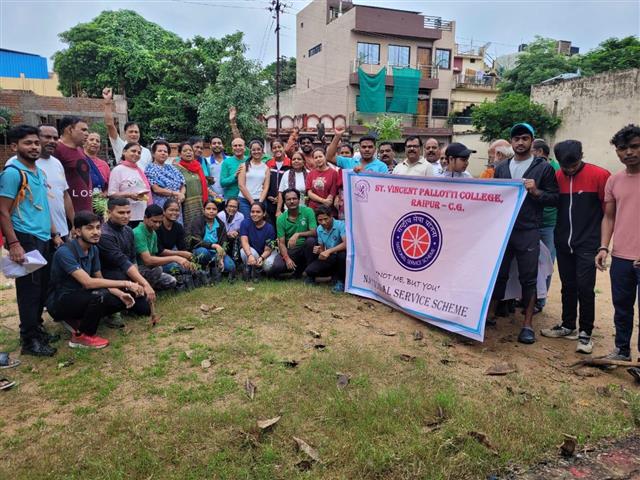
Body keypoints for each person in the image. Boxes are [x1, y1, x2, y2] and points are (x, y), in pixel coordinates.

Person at [488, 123, 559, 344]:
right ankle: (490, 314)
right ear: (511, 142)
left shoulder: (543, 168)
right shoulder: (501, 167)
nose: (520, 142)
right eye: (516, 139)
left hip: (528, 230)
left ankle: (527, 324)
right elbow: (493, 196)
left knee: (529, 278)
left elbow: (555, 198)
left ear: (532, 141)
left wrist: (536, 191)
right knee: (498, 273)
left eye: (525, 138)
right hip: (504, 230)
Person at [539, 140, 610, 354]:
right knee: (567, 285)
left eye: (573, 165)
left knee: (585, 288)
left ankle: (585, 333)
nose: (569, 170)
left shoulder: (600, 175)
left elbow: (609, 213)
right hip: (563, 241)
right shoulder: (557, 177)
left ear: (582, 156)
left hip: (588, 243)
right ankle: (568, 325)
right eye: (564, 166)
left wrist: (603, 245)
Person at [0, 125, 63, 356]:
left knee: (42, 287)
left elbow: (45, 207)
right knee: (29, 291)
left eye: (36, 143)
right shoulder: (12, 173)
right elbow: (3, 211)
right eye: (28, 143)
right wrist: (14, 244)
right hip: (25, 238)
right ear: (15, 146)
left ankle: (37, 329)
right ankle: (29, 341)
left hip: (43, 237)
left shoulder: (38, 172)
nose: (34, 147)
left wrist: (55, 234)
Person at [47, 211, 145, 349]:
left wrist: (121, 293)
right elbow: (88, 283)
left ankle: (79, 319)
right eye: (89, 228)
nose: (96, 232)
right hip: (61, 301)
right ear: (77, 231)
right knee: (99, 295)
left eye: (98, 227)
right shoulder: (65, 252)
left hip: (81, 296)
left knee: (123, 298)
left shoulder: (93, 249)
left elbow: (99, 279)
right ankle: (81, 337)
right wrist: (127, 283)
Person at [595, 124, 640, 362]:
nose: (629, 153)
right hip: (621, 257)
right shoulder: (614, 181)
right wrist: (604, 247)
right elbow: (609, 217)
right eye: (623, 148)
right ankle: (622, 351)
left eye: (634, 146)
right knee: (622, 307)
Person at [7, 125, 75, 240]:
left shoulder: (57, 163)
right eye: (47, 137)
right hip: (30, 233)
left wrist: (74, 223)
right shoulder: (15, 165)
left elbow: (64, 195)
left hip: (60, 231)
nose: (52, 141)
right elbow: (5, 207)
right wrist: (13, 241)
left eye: (55, 138)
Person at [98, 197, 156, 327]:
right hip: (109, 276)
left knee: (145, 310)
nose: (126, 216)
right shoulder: (105, 235)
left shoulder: (128, 230)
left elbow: (132, 258)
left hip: (126, 273)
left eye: (128, 212)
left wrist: (137, 283)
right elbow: (122, 261)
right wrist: (144, 284)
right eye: (121, 213)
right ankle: (112, 313)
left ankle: (128, 302)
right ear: (109, 212)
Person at [133, 204, 195, 291]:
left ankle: (149, 287)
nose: (158, 225)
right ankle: (143, 289)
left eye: (160, 222)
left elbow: (153, 256)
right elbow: (148, 261)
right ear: (145, 218)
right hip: (136, 269)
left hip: (149, 269)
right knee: (159, 269)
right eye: (154, 221)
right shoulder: (138, 233)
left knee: (171, 281)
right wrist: (175, 258)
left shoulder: (153, 233)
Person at [532, 138, 561, 313]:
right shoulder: (532, 167)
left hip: (549, 223)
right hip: (532, 222)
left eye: (533, 151)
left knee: (546, 262)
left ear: (540, 152)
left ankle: (540, 301)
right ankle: (528, 297)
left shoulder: (555, 170)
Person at [103, 87, 153, 170]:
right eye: (131, 132)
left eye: (136, 132)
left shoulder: (146, 152)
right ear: (125, 133)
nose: (134, 134)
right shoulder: (120, 145)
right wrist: (107, 103)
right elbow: (109, 124)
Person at [271, 189, 317, 278]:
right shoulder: (281, 219)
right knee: (276, 268)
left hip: (305, 248)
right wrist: (287, 258)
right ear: (284, 202)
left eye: (294, 198)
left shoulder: (308, 211)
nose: (292, 201)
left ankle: (310, 274)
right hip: (291, 250)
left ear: (299, 200)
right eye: (288, 199)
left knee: (311, 241)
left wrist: (298, 234)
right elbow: (281, 243)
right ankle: (297, 269)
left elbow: (314, 232)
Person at [188, 199, 236, 281]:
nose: (211, 211)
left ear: (217, 211)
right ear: (203, 210)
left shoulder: (220, 224)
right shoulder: (197, 222)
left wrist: (221, 257)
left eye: (214, 209)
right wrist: (214, 245)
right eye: (208, 209)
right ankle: (205, 269)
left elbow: (224, 242)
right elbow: (196, 241)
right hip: (200, 250)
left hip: (216, 253)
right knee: (204, 253)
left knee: (231, 267)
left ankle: (214, 267)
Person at [108, 142, 152, 228]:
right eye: (133, 151)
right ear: (124, 152)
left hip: (141, 215)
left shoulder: (139, 170)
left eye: (139, 152)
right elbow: (111, 194)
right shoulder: (118, 170)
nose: (136, 154)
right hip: (126, 217)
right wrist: (129, 195)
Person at [53, 116, 92, 213]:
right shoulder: (57, 149)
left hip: (85, 212)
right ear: (69, 130)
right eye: (83, 130)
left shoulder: (79, 150)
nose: (87, 134)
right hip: (69, 214)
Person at [304, 206, 347, 293]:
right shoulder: (319, 229)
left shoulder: (340, 225)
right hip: (330, 257)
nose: (323, 222)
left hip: (339, 256)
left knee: (342, 255)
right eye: (320, 220)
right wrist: (319, 251)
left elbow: (346, 244)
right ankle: (330, 276)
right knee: (309, 270)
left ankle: (340, 282)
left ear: (331, 216)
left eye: (326, 219)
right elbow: (323, 250)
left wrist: (329, 251)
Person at [145, 140, 186, 216]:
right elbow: (156, 189)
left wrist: (182, 195)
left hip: (176, 204)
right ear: (153, 154)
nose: (163, 153)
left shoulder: (172, 168)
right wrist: (175, 193)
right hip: (161, 205)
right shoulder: (150, 169)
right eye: (160, 151)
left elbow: (182, 183)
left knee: (177, 226)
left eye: (165, 151)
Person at [239, 201, 277, 281]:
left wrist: (261, 258)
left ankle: (258, 270)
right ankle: (251, 269)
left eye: (258, 212)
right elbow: (244, 241)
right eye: (252, 212)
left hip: (266, 254)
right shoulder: (245, 223)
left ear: (264, 213)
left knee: (267, 266)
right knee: (243, 251)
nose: (255, 214)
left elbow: (268, 249)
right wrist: (250, 255)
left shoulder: (269, 228)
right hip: (253, 252)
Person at [175, 141, 207, 234]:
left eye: (190, 150)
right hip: (186, 204)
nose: (188, 152)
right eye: (185, 151)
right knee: (188, 227)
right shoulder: (177, 168)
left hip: (200, 203)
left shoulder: (197, 166)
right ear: (180, 154)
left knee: (200, 226)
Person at [238, 140, 270, 219]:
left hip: (260, 199)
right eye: (254, 150)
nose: (256, 152)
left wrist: (260, 202)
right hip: (244, 200)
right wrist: (252, 202)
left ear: (262, 150)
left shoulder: (266, 168)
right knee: (247, 222)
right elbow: (241, 185)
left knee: (260, 223)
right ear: (250, 151)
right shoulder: (244, 166)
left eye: (258, 149)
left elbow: (266, 187)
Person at [265, 139, 291, 223]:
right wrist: (268, 195)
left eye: (279, 147)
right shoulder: (268, 164)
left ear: (283, 148)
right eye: (274, 148)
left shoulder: (290, 163)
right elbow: (264, 182)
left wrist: (281, 198)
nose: (277, 149)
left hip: (287, 201)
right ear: (271, 150)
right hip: (270, 201)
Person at [217, 197, 244, 264]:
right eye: (230, 206)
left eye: (234, 207)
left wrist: (236, 232)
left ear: (238, 208)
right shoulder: (220, 215)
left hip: (234, 239)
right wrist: (227, 234)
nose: (232, 209)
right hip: (222, 240)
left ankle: (236, 259)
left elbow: (241, 229)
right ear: (226, 207)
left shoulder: (240, 216)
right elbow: (218, 232)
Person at [208, 135, 227, 201]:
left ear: (223, 145)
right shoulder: (206, 161)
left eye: (219, 143)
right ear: (210, 146)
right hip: (212, 199)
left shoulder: (229, 160)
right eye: (214, 143)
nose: (217, 145)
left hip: (229, 199)